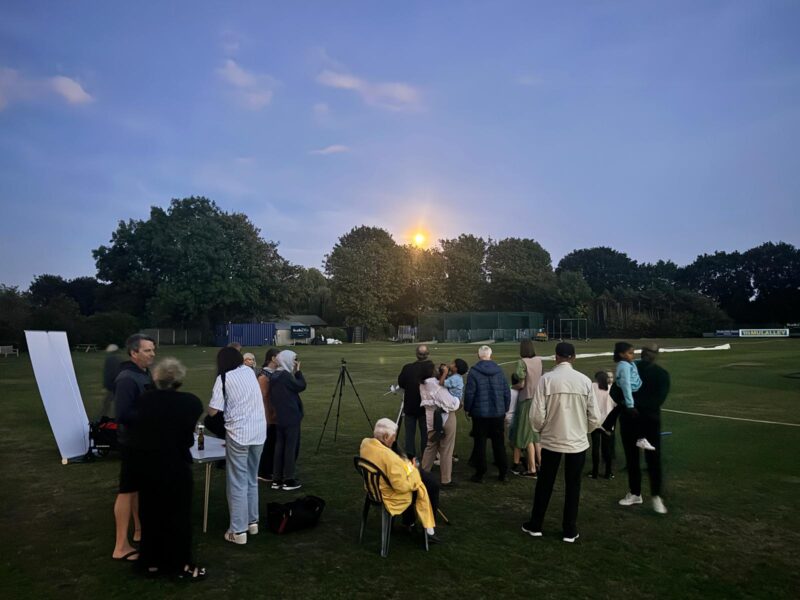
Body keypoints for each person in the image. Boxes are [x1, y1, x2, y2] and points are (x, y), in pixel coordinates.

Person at [522, 342, 600, 543]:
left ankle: (536, 524)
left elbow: (536, 414)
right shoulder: (584, 381)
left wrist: (541, 430)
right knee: (573, 486)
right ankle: (569, 529)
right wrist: (583, 430)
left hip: (551, 440)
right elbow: (595, 416)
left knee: (545, 483)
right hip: (577, 442)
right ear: (573, 357)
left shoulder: (547, 379)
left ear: (556, 357)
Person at [137, 358, 205, 580]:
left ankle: (150, 562)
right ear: (179, 380)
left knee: (150, 514)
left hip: (148, 465)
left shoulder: (143, 401)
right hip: (176, 465)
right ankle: (180, 565)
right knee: (178, 516)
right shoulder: (191, 403)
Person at [208, 347, 266, 545]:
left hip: (239, 434)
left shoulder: (224, 378)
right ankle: (252, 522)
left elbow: (213, 410)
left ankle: (238, 530)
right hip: (259, 432)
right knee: (251, 478)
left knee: (237, 482)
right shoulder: (249, 372)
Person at [112, 333, 156, 561]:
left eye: (153, 350)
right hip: (132, 443)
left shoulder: (144, 373)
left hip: (144, 442)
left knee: (139, 489)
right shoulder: (127, 379)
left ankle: (139, 531)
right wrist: (153, 413)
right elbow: (122, 414)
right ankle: (120, 546)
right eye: (147, 350)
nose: (152, 354)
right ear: (134, 352)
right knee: (127, 492)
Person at [359, 418, 440, 542]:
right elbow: (402, 487)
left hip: (375, 489)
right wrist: (413, 471)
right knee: (426, 486)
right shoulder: (389, 457)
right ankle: (428, 530)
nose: (394, 440)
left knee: (426, 482)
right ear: (385, 437)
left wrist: (407, 467)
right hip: (389, 494)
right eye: (393, 437)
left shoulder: (365, 443)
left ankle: (410, 523)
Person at [618, 342, 671, 514]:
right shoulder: (660, 373)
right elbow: (657, 400)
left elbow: (616, 392)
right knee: (642, 459)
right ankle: (644, 495)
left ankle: (647, 495)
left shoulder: (631, 369)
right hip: (646, 420)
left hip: (636, 420)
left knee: (642, 459)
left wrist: (630, 406)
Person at [464, 345, 511, 483]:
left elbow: (470, 393)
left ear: (478, 355)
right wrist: (505, 407)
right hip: (497, 412)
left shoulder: (474, 372)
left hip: (480, 414)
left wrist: (467, 408)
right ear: (491, 355)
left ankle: (480, 472)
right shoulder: (499, 371)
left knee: (480, 443)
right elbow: (506, 392)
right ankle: (503, 472)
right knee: (499, 443)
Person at [269, 350, 306, 491]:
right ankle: (288, 479)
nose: (295, 362)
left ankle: (277, 478)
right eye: (293, 360)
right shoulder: (285, 375)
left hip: (280, 416)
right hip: (291, 416)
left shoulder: (275, 375)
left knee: (280, 447)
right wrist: (298, 372)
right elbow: (301, 385)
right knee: (290, 447)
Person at [420, 362, 461, 486]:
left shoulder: (422, 384)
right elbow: (451, 403)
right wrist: (458, 401)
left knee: (430, 446)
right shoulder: (435, 384)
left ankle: (422, 475)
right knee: (446, 449)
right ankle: (446, 479)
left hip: (430, 418)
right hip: (445, 417)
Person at [611, 341, 655, 451]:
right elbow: (625, 384)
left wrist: (645, 360)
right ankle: (641, 439)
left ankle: (606, 426)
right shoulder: (624, 366)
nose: (633, 355)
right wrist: (630, 404)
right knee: (639, 416)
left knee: (632, 415)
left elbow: (635, 362)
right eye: (630, 353)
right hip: (632, 393)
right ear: (622, 354)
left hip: (634, 392)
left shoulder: (628, 363)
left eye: (633, 352)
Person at [510, 339, 543, 478]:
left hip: (526, 399)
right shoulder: (539, 360)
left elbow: (521, 382)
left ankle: (531, 468)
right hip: (537, 399)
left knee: (525, 433)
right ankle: (541, 463)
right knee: (535, 435)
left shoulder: (522, 362)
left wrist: (512, 386)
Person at [397, 345, 434, 459]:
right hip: (425, 406)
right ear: (427, 354)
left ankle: (410, 457)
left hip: (410, 404)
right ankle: (425, 458)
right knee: (425, 434)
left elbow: (401, 383)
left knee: (409, 434)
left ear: (417, 354)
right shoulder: (431, 368)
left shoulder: (407, 368)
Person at [257, 348, 280, 482]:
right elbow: (264, 398)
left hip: (271, 415)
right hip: (268, 416)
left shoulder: (270, 373)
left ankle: (268, 469)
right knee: (269, 444)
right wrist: (268, 416)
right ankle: (264, 471)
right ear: (273, 358)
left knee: (272, 443)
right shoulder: (264, 376)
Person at [589, 371, 616, 480]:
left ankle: (594, 472)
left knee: (595, 448)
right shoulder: (611, 389)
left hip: (595, 421)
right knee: (607, 448)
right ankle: (608, 473)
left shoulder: (593, 387)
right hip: (608, 422)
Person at [98, 344, 121, 419]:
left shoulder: (109, 359)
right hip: (115, 385)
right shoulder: (118, 359)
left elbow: (108, 374)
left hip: (111, 385)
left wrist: (105, 385)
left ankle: (103, 417)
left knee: (107, 403)